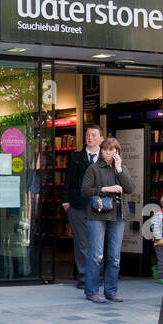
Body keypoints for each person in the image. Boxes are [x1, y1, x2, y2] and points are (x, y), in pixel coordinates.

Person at [80, 137, 132, 304]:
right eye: (105, 150)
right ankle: (92, 291)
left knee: (115, 256)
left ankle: (111, 291)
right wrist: (105, 189)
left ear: (117, 152)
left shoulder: (121, 168)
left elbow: (130, 188)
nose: (108, 153)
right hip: (98, 214)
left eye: (112, 150)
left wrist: (119, 169)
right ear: (101, 151)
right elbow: (85, 191)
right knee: (96, 254)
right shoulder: (93, 168)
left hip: (118, 214)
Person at [63, 124, 104, 290]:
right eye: (88, 135)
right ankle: (83, 276)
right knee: (81, 243)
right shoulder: (76, 157)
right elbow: (68, 180)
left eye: (94, 135)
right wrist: (65, 202)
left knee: (98, 243)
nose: (90, 138)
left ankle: (98, 276)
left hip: (99, 206)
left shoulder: (106, 157)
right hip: (77, 205)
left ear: (101, 139)